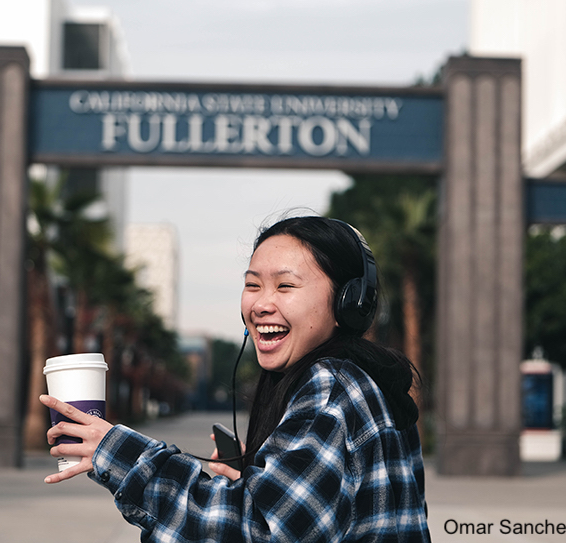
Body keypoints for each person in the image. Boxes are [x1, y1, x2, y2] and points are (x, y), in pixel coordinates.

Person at [40, 215, 431, 542]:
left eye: (285, 285)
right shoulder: (364, 381)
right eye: (252, 284)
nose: (260, 304)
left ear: (349, 302)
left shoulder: (330, 386)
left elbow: (257, 530)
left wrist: (119, 453)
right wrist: (264, 476)